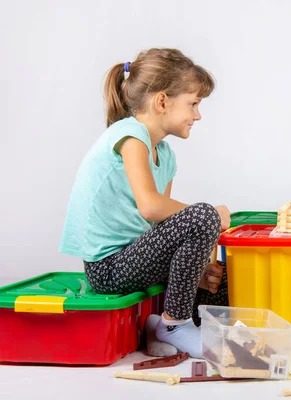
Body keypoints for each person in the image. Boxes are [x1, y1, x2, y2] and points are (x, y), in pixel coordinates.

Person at [59, 48, 230, 358]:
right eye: (193, 104)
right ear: (162, 101)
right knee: (204, 215)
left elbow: (162, 226)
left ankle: (167, 327)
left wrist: (200, 269)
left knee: (222, 276)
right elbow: (150, 207)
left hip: (137, 259)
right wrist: (210, 217)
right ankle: (175, 325)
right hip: (109, 268)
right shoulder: (129, 134)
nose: (198, 115)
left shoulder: (164, 154)